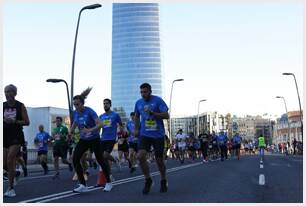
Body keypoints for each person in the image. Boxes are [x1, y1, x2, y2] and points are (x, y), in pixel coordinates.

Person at [70, 88, 112, 193]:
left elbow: (101, 124)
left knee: (100, 160)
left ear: (82, 104)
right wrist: (70, 131)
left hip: (94, 139)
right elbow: (75, 122)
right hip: (84, 139)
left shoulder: (90, 111)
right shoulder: (75, 113)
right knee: (75, 159)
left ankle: (108, 182)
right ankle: (83, 184)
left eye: (77, 104)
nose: (76, 107)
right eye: (74, 104)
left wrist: (90, 129)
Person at [134, 83, 169, 194]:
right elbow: (136, 116)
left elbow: (166, 115)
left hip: (158, 135)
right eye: (141, 92)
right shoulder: (138, 103)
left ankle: (163, 180)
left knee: (159, 160)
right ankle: (148, 179)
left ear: (150, 91)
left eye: (145, 92)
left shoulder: (158, 100)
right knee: (140, 156)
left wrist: (154, 113)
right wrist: (136, 128)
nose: (143, 94)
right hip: (145, 134)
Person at [3, 84, 30, 197]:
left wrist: (15, 121)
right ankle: (17, 172)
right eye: (6, 91)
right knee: (4, 165)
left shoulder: (20, 106)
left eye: (10, 91)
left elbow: (27, 122)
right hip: (4, 135)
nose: (7, 94)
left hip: (16, 136)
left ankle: (11, 188)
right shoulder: (2, 105)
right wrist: (4, 120)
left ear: (15, 93)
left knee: (10, 159)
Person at [99, 98, 123, 175]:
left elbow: (121, 125)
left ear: (110, 105)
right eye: (104, 103)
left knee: (105, 155)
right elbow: (99, 127)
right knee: (103, 158)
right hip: (103, 138)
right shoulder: (101, 116)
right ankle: (109, 174)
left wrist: (120, 136)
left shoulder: (115, 115)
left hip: (111, 138)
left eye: (106, 103)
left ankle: (115, 161)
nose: (105, 105)